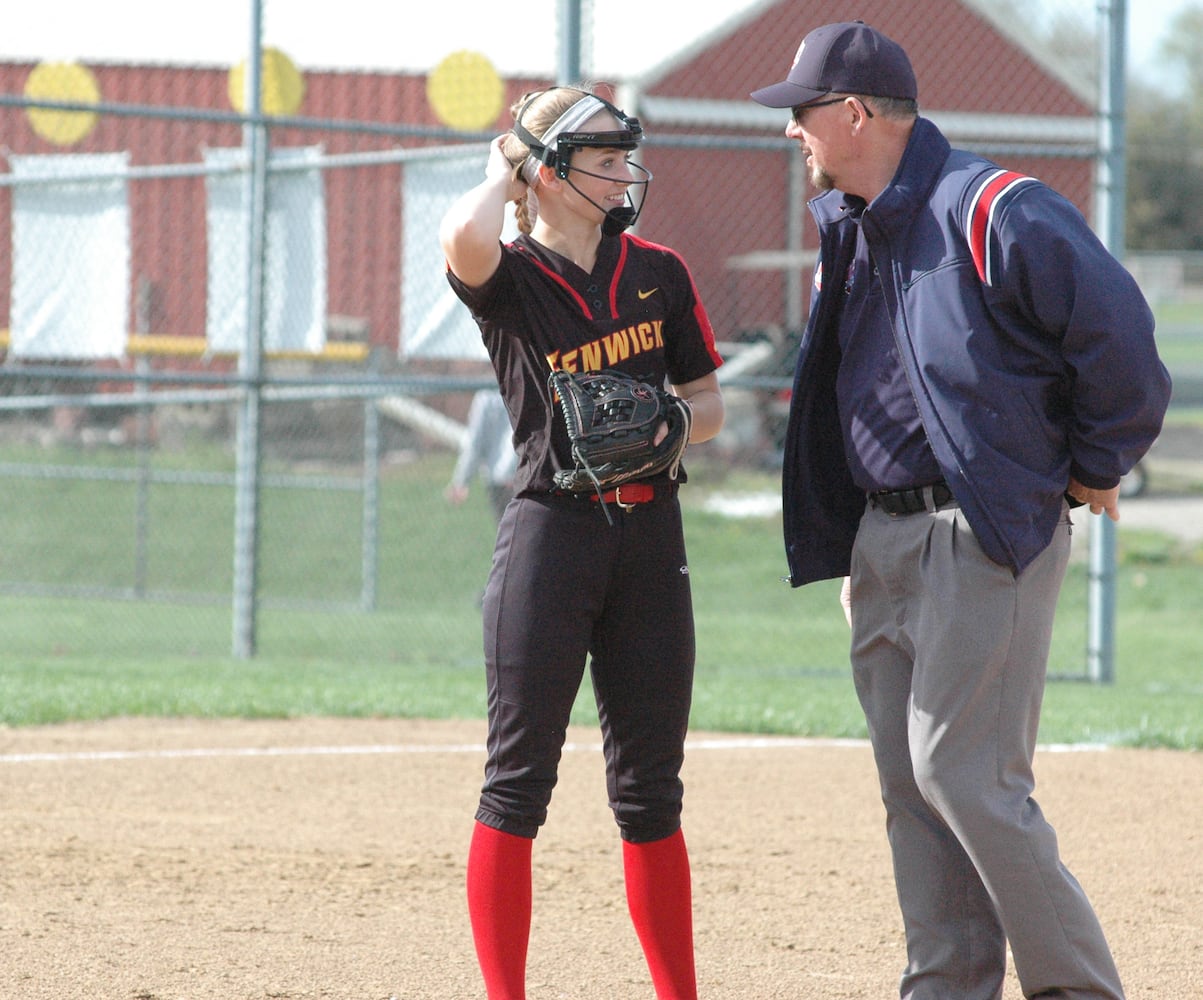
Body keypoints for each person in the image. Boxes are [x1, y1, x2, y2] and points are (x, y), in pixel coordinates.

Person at [750, 20, 1171, 1000]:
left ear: (853, 114)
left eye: (801, 114)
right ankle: (946, 985)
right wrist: (858, 545)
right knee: (910, 782)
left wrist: (1092, 462)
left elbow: (1122, 342)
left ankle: (1077, 988)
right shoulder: (852, 226)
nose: (790, 134)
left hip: (979, 529)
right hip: (884, 537)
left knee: (963, 771)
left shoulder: (990, 207)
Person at [439, 84, 725, 1000]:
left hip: (650, 537)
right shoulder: (513, 277)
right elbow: (461, 240)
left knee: (651, 794)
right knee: (517, 785)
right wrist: (501, 169)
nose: (621, 172)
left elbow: (710, 402)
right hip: (551, 535)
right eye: (600, 158)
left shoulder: (661, 272)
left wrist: (668, 423)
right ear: (550, 174)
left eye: (621, 155)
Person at [445, 387, 518, 526]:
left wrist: (461, 481)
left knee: (508, 537)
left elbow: (475, 443)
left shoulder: (486, 398)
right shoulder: (526, 387)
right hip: (527, 476)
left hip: (500, 479)